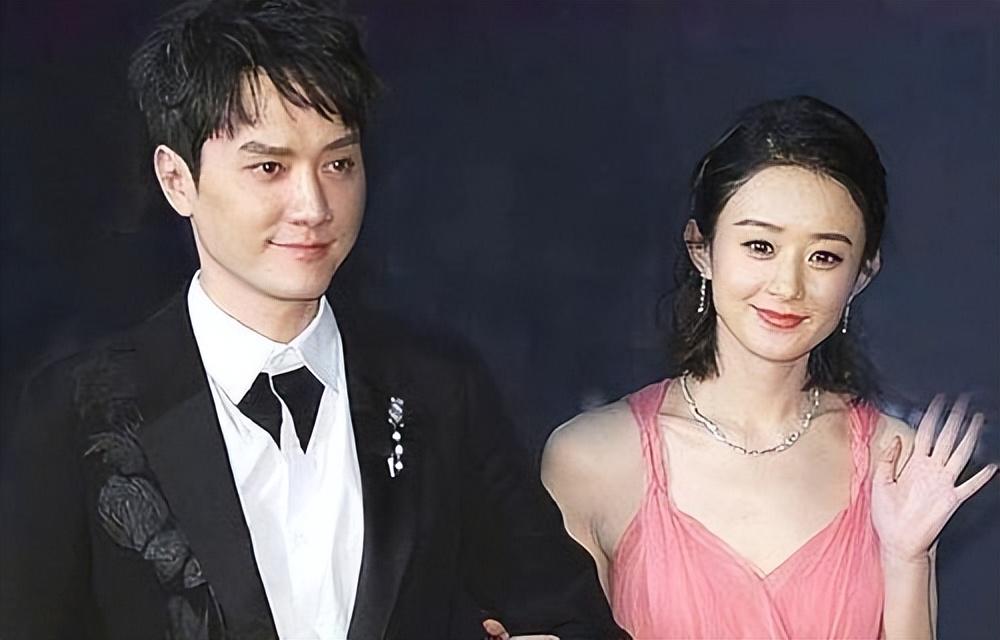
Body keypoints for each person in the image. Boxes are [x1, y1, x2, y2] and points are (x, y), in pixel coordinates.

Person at [0, 1, 621, 638]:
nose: (314, 205)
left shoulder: (437, 389)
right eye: (269, 167)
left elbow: (573, 618)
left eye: (338, 163)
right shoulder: (77, 412)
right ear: (177, 179)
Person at [541, 96, 997, 639]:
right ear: (702, 249)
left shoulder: (893, 459)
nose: (787, 286)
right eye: (760, 246)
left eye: (824, 257)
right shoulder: (592, 460)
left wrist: (906, 559)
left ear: (862, 275)